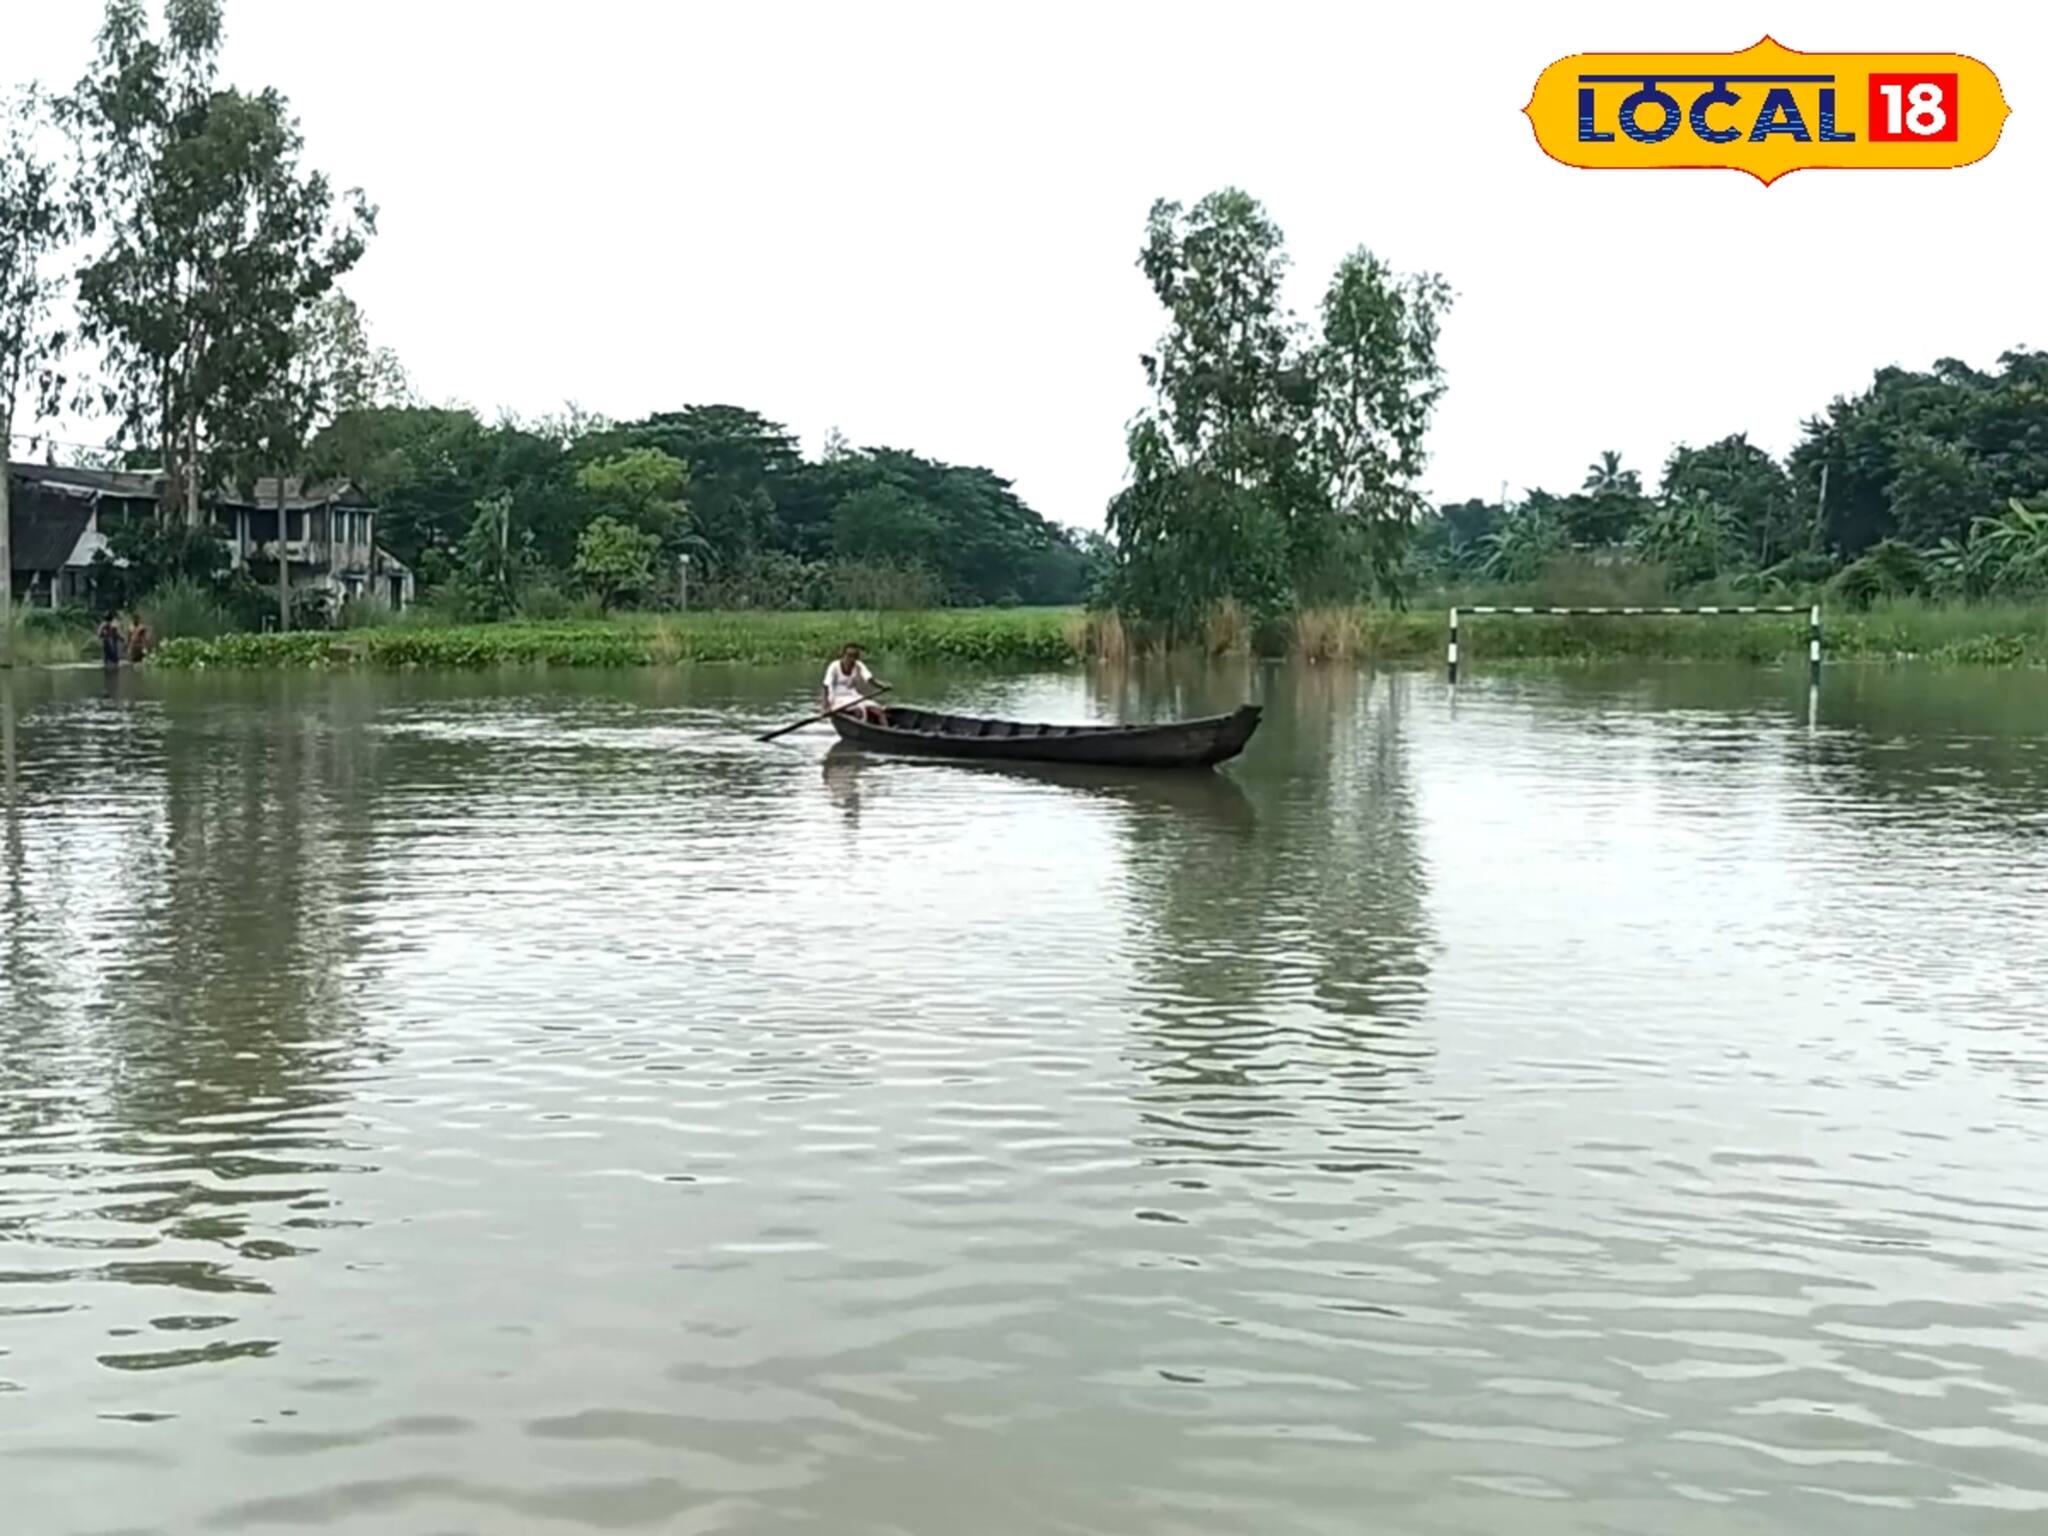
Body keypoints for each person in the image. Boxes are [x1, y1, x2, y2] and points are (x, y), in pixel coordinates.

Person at [820, 642, 887, 723]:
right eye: (849, 655)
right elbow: (826, 686)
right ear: (843, 655)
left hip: (854, 696)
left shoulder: (858, 665)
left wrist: (883, 686)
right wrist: (825, 707)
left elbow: (870, 680)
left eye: (855, 656)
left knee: (879, 711)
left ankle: (887, 732)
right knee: (858, 711)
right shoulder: (834, 666)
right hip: (838, 698)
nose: (852, 659)